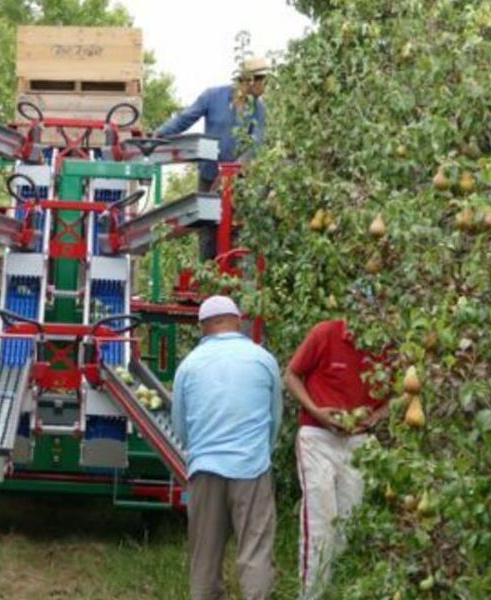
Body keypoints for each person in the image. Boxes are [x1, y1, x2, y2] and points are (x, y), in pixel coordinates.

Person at [172, 295, 283, 600]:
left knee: (204, 558)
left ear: (202, 327)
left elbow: (181, 427)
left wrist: (200, 452)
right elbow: (275, 419)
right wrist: (261, 453)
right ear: (238, 321)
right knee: (255, 552)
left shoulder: (189, 365)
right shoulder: (263, 359)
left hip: (205, 468)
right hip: (252, 467)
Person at [284, 319, 388, 600]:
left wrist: (374, 418)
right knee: (320, 519)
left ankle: (337, 591)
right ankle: (310, 595)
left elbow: (401, 390)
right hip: (317, 436)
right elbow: (292, 375)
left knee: (348, 523)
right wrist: (316, 411)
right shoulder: (325, 333)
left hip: (357, 440)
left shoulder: (386, 343)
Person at [156, 56, 270, 260]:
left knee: (234, 231)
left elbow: (256, 144)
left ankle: (230, 278)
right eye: (264, 80)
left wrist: (234, 170)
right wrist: (158, 135)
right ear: (251, 79)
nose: (266, 86)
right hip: (209, 177)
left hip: (239, 183)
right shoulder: (213, 97)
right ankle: (208, 280)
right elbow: (185, 118)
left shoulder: (259, 110)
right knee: (207, 228)